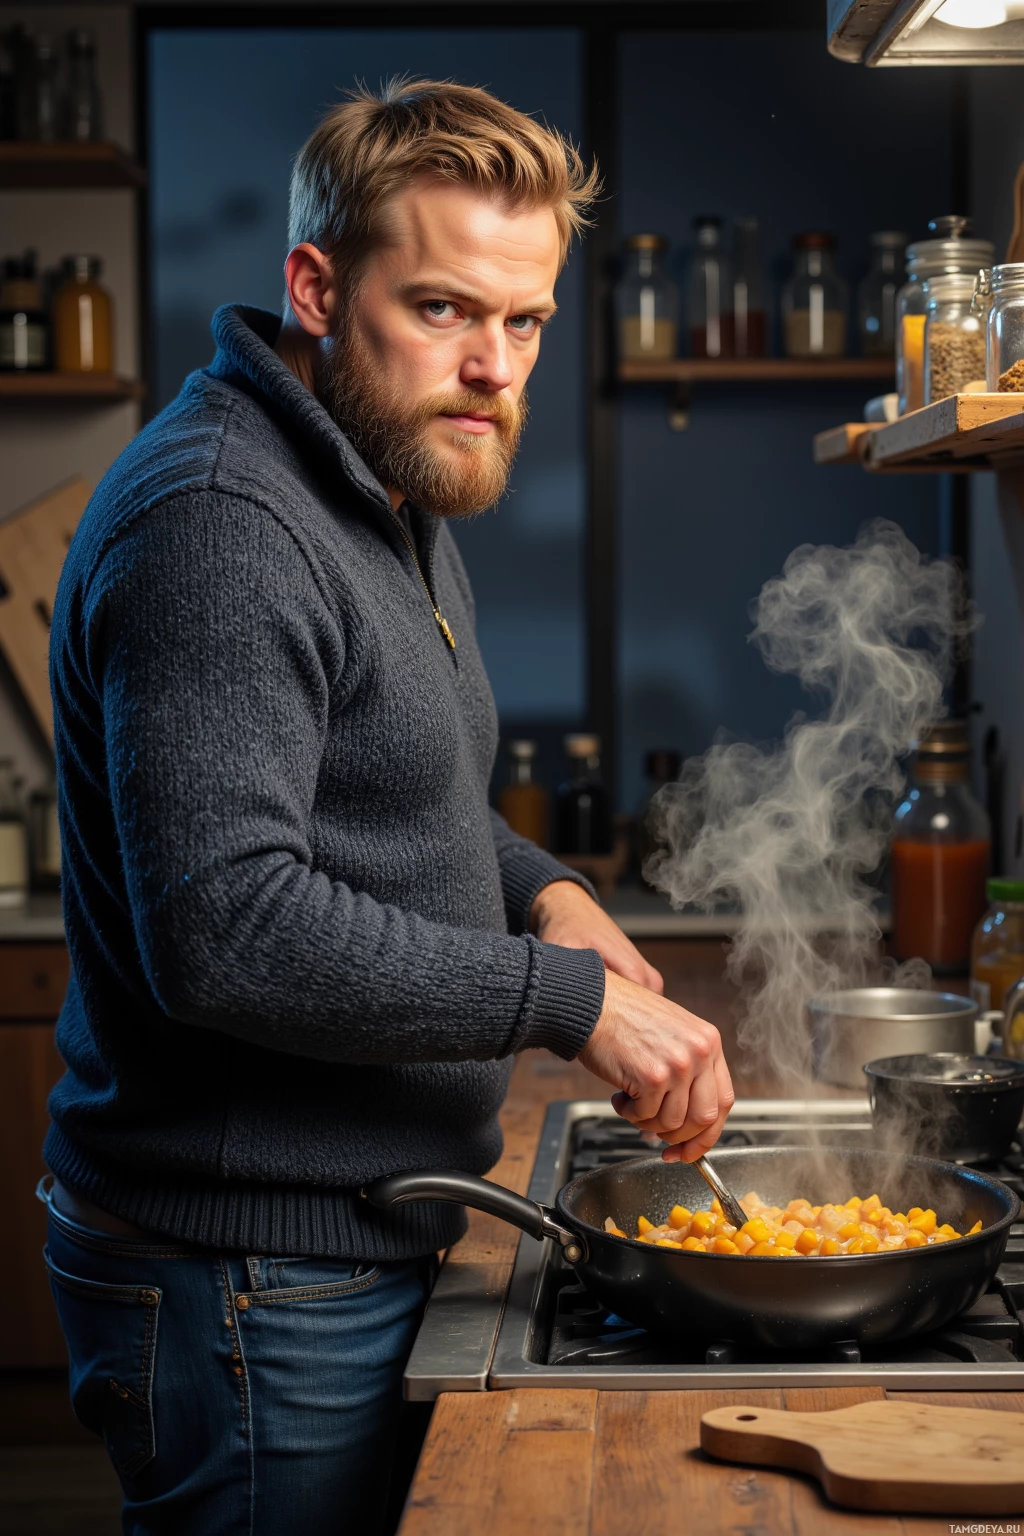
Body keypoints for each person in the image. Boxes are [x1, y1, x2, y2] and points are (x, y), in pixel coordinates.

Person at [42, 79, 734, 1535]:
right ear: (314, 283)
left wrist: (548, 890)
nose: (492, 367)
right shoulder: (224, 525)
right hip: (248, 1283)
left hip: (340, 1250)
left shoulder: (395, 481)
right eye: (440, 309)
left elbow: (400, 801)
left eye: (525, 320)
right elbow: (231, 928)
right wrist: (563, 1001)